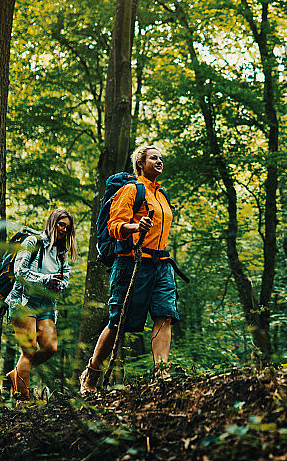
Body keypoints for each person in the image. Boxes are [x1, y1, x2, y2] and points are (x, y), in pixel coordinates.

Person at [79, 144, 179, 393]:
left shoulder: (162, 195)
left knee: (164, 314)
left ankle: (161, 372)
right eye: (153, 158)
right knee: (118, 322)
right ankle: (91, 373)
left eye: (161, 158)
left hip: (161, 264)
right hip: (131, 262)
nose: (159, 161)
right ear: (140, 164)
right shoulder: (131, 189)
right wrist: (135, 228)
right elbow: (114, 225)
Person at [5, 209, 78, 400]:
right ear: (52, 222)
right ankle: (24, 398)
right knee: (28, 350)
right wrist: (46, 279)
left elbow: (66, 277)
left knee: (50, 347)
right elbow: (19, 272)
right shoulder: (33, 242)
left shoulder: (62, 252)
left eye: (67, 227)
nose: (63, 229)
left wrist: (58, 284)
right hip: (23, 302)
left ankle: (17, 373)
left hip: (46, 303)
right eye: (61, 224)